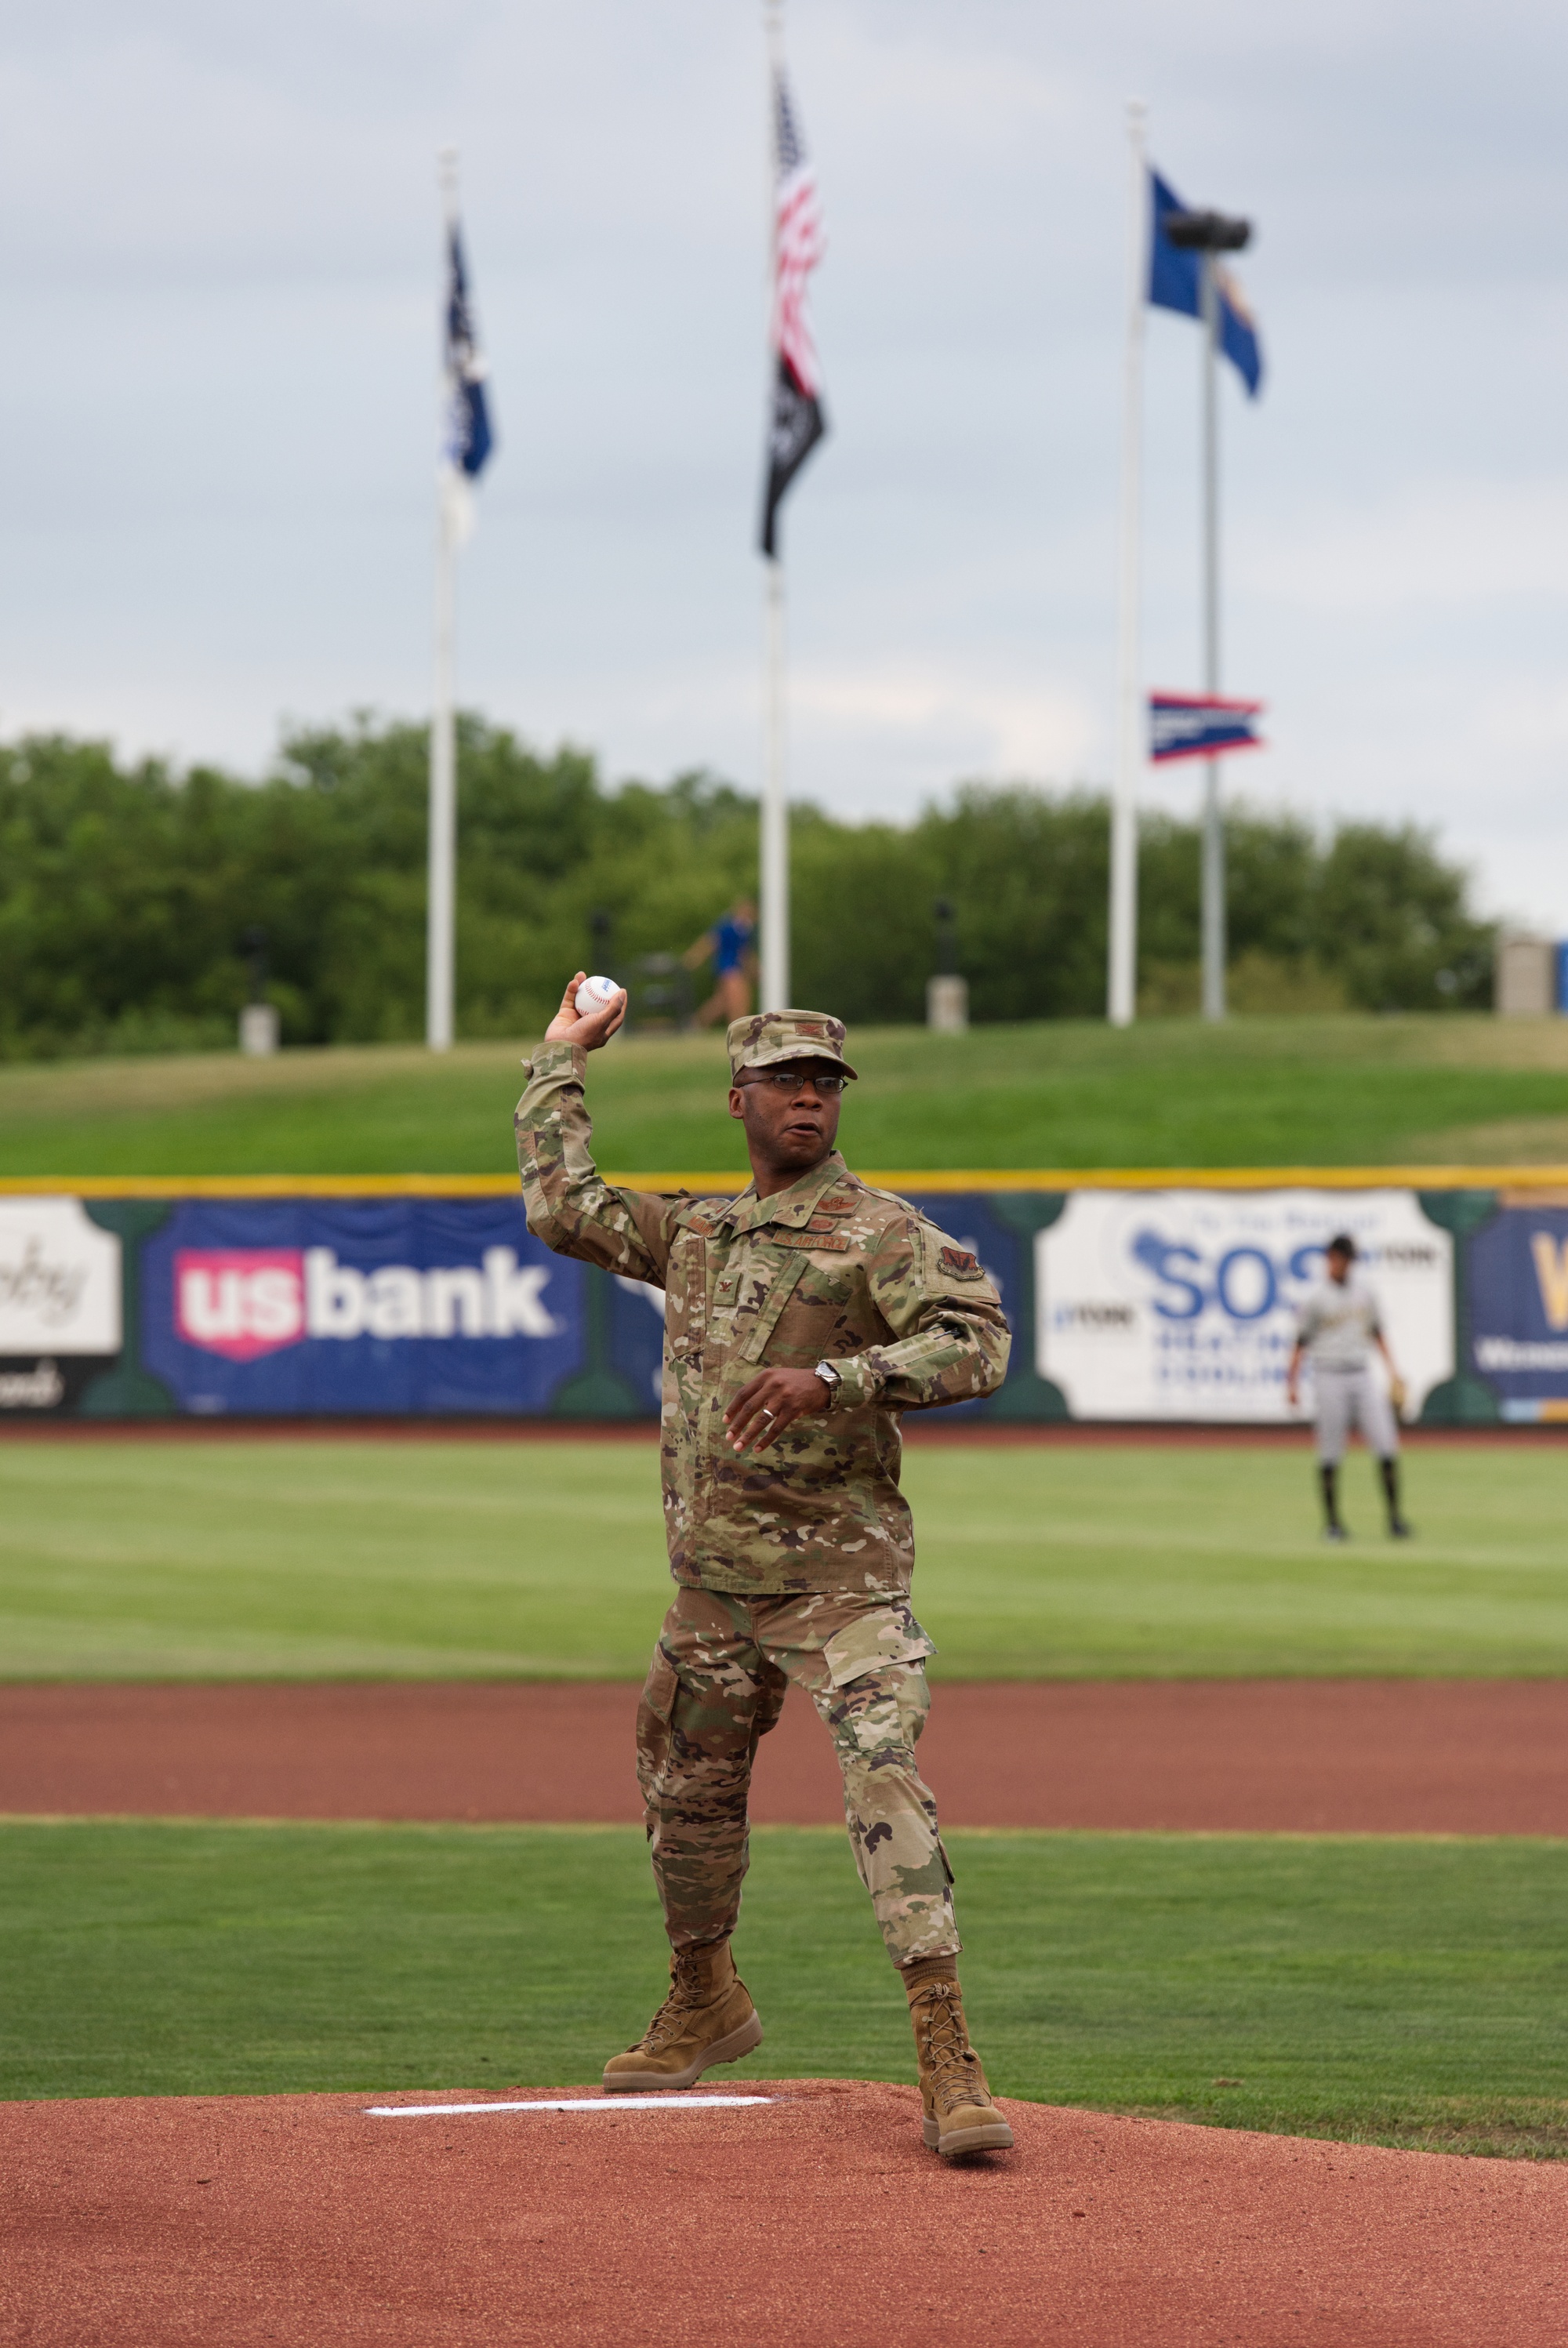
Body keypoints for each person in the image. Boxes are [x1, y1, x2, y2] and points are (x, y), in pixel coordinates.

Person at [515, 980, 1016, 2159]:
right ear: (738, 1096)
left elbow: (978, 1340)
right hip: (713, 1592)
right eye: (788, 1079)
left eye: (826, 1082)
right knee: (684, 1802)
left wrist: (842, 1377)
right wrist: (559, 1058)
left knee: (883, 1770)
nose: (809, 1096)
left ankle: (946, 2047)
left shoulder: (877, 1231)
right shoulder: (698, 1230)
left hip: (843, 1587)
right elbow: (561, 1204)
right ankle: (704, 1995)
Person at [1286, 1232, 1412, 1541]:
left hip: (1361, 1374)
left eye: (1348, 1259)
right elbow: (1300, 1343)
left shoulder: (1365, 1293)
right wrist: (1291, 1383)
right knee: (1330, 1452)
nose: (1342, 1264)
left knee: (1387, 1444)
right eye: (1339, 1257)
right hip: (1328, 1374)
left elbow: (1377, 1332)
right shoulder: (1316, 1298)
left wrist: (1392, 1370)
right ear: (1330, 1258)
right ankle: (1332, 1524)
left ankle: (1395, 1520)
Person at [683, 897, 757, 1029]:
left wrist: (753, 968)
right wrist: (694, 957)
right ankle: (738, 1029)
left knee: (721, 1002)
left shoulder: (745, 930)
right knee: (736, 999)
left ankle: (693, 1024)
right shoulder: (728, 926)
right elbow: (710, 942)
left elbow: (745, 953)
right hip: (728, 967)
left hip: (736, 968)